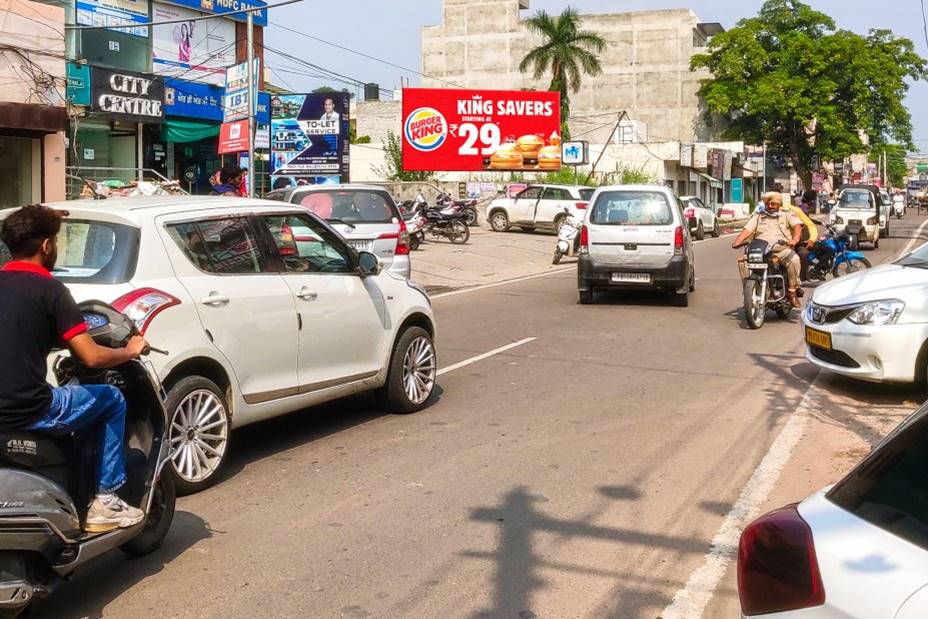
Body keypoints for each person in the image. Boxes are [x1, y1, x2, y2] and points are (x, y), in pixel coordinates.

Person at [0, 205, 148, 532]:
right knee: (111, 399)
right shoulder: (52, 291)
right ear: (46, 247)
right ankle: (106, 501)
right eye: (55, 240)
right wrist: (129, 350)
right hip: (27, 410)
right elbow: (92, 358)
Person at [732, 192, 804, 307]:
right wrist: (737, 241)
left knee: (794, 259)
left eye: (773, 204)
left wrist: (794, 240)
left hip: (781, 250)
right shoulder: (758, 216)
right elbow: (748, 230)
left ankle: (792, 291)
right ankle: (749, 291)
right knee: (743, 261)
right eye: (768, 203)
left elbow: (797, 226)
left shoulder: (787, 214)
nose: (770, 206)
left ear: (779, 204)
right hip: (761, 251)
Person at [782, 198, 819, 279]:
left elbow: (810, 224)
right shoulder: (763, 211)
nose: (771, 206)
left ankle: (801, 278)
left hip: (795, 242)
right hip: (776, 243)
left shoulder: (794, 210)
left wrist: (812, 239)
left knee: (804, 254)